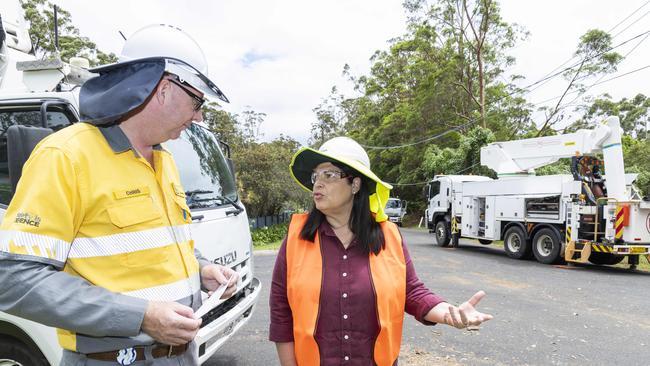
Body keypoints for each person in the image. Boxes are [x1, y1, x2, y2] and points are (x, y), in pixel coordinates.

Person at [0, 24, 238, 365]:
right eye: (197, 100)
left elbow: (157, 244)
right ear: (163, 87)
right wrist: (141, 316)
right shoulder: (66, 155)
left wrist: (201, 269)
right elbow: (14, 279)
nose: (198, 115)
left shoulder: (164, 160)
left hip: (180, 356)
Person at [270, 136, 493, 366]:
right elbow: (281, 313)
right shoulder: (295, 240)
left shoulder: (390, 236)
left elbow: (412, 292)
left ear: (355, 184)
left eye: (330, 175)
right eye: (316, 175)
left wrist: (448, 312)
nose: (317, 183)